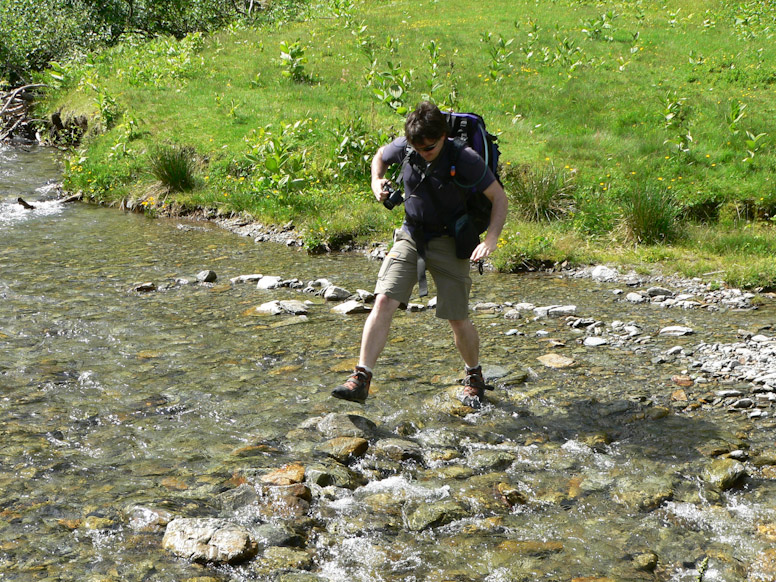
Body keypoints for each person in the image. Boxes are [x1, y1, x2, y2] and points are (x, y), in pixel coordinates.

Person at [332, 101, 508, 408]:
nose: (422, 152)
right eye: (417, 147)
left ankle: (474, 376)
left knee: (457, 317)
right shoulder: (408, 145)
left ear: (443, 137)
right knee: (384, 300)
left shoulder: (464, 158)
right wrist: (376, 181)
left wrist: (491, 239)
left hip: (451, 241)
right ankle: (361, 378)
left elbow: (499, 198)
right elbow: (380, 157)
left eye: (429, 147)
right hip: (412, 234)